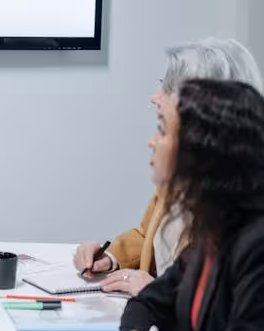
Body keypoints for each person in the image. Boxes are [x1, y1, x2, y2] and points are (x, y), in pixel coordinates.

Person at [110, 78, 264, 331]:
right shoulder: (215, 230)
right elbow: (151, 302)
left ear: (199, 152)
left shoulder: (255, 248)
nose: (151, 141)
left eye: (162, 131)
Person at [73, 38, 262, 296]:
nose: (155, 98)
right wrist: (111, 257)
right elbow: (149, 239)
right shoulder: (181, 177)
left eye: (170, 87)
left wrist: (158, 294)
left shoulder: (241, 215)